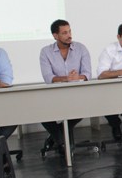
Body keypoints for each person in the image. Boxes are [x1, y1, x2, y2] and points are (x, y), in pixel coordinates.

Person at [39, 19, 91, 152]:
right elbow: (48, 78)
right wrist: (66, 78)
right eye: (64, 33)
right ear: (55, 35)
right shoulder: (46, 52)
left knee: (82, 108)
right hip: (55, 95)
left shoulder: (81, 48)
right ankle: (62, 141)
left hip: (78, 94)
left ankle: (58, 140)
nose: (69, 36)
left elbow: (87, 74)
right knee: (42, 114)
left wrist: (78, 77)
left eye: (69, 31)